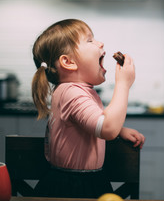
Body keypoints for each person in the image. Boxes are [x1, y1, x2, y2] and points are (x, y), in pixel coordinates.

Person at [31, 19, 145, 198]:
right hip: (72, 187)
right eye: (90, 40)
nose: (100, 43)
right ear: (68, 62)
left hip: (83, 180)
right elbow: (106, 128)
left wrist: (119, 130)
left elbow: (89, 124)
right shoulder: (71, 92)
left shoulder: (77, 91)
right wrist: (123, 85)